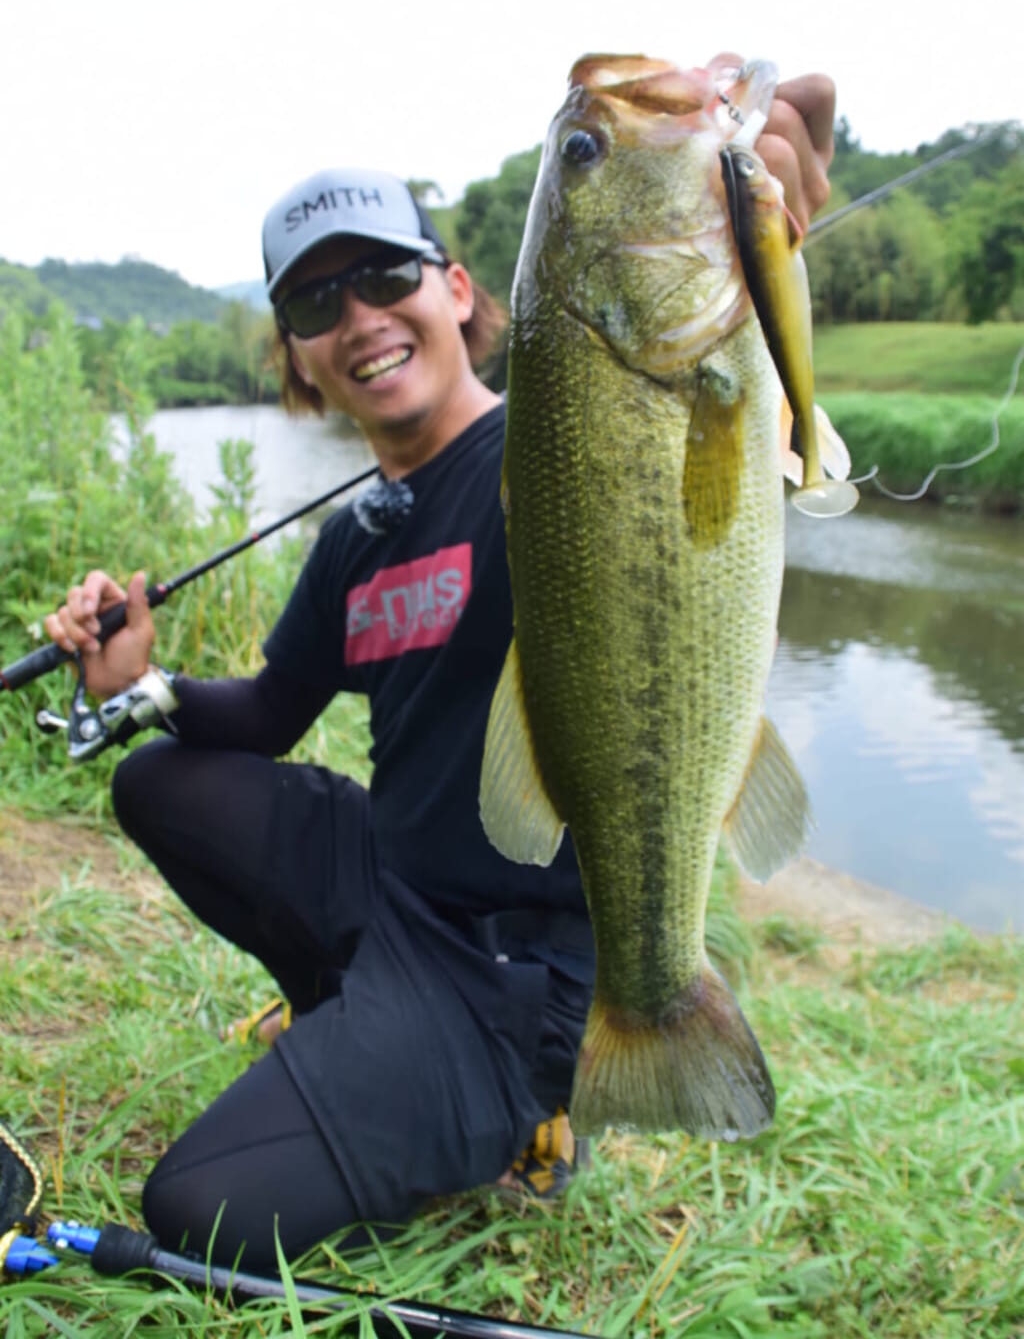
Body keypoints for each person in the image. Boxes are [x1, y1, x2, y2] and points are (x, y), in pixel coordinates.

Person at [44, 69, 836, 1271]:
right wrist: (141, 682)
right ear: (298, 360)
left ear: (459, 292)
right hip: (397, 888)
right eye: (315, 301)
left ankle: (550, 1084)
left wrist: (771, 273)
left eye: (384, 274)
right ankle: (347, 1008)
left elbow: (736, 456)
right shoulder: (353, 542)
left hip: (518, 959)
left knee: (194, 1207)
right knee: (159, 783)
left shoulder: (559, 432)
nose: (357, 314)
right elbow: (264, 713)